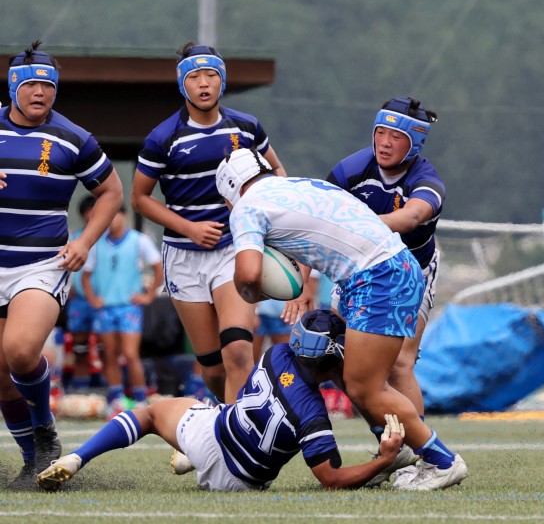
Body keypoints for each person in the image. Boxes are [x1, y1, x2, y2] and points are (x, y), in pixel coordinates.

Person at [215, 148, 467, 490]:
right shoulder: (297, 185)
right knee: (335, 363)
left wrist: (250, 294)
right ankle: (397, 446)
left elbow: (248, 274)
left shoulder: (247, 206)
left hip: (377, 275)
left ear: (230, 192)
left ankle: (442, 461)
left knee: (366, 386)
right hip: (386, 269)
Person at [37, 309, 405, 492]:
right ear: (335, 356)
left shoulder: (277, 354)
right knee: (213, 415)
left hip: (212, 434)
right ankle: (188, 456)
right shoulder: (313, 415)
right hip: (239, 481)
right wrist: (384, 460)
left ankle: (76, 457)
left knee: (149, 415)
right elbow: (331, 479)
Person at [131, 42, 287, 404]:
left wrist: (267, 214)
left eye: (211, 75)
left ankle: (241, 433)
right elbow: (139, 198)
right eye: (195, 77)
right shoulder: (163, 138)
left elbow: (277, 169)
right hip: (183, 256)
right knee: (213, 368)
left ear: (223, 81)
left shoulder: (246, 127)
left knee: (238, 351)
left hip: (235, 248)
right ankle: (228, 414)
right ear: (182, 84)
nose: (204, 83)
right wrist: (189, 228)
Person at [0, 41, 123, 488]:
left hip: (42, 264)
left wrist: (85, 241)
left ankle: (46, 432)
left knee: (19, 351)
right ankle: (33, 459)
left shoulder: (73, 138)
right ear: (13, 87)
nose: (40, 93)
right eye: (31, 84)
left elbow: (112, 192)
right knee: (1, 374)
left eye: (48, 85)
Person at [326, 96, 444, 485]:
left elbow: (412, 215)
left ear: (416, 142)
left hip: (410, 273)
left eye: (396, 136)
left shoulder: (426, 180)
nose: (385, 142)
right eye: (381, 132)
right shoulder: (350, 171)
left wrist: (361, 224)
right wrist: (302, 284)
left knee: (399, 363)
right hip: (360, 271)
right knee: (338, 356)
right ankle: (391, 445)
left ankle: (424, 456)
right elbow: (319, 217)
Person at [82, 205, 163, 416]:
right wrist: (93, 299)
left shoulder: (139, 240)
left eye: (115, 215)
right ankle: (116, 398)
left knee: (130, 354)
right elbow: (85, 276)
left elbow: (158, 267)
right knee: (109, 354)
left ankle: (140, 399)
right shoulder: (97, 244)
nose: (111, 220)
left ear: (124, 216)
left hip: (129, 308)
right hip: (106, 309)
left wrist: (149, 295)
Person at [64, 195, 100, 393]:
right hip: (78, 299)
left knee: (106, 345)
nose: (91, 215)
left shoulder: (109, 238)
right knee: (79, 345)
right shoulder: (74, 238)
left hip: (103, 301)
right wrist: (67, 287)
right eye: (88, 211)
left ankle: (106, 383)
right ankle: (81, 384)